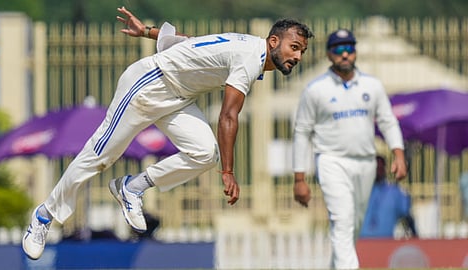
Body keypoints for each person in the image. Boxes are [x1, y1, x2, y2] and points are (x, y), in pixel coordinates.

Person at [22, 6, 314, 260]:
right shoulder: (251, 57)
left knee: (204, 153)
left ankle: (131, 187)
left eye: (301, 51)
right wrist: (228, 171)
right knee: (99, 156)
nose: (297, 56)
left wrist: (148, 31)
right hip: (149, 84)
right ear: (274, 41)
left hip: (178, 99)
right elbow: (228, 115)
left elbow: (194, 44)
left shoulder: (249, 48)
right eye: (294, 47)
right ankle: (44, 215)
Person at [292, 29, 407, 269]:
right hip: (331, 161)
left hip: (365, 163)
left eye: (349, 49)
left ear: (355, 52)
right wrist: (299, 177)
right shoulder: (316, 90)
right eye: (338, 49)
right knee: (342, 220)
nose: (344, 54)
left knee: (354, 224)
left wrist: (398, 153)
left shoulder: (371, 85)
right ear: (328, 54)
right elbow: (302, 132)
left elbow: (387, 120)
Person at [360, 155, 417, 238]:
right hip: (360, 242)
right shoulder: (359, 190)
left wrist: (415, 237)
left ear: (385, 169)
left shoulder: (394, 192)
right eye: (375, 167)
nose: (378, 170)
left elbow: (407, 217)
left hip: (385, 243)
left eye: (380, 167)